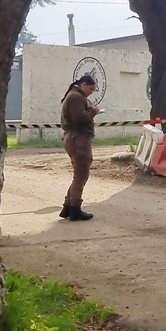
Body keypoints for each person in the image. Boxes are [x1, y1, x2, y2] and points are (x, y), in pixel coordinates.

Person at [60, 74, 102, 221]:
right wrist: (94, 111)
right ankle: (75, 209)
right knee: (80, 177)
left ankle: (68, 207)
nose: (91, 92)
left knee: (78, 176)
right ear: (83, 84)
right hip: (79, 140)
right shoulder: (76, 97)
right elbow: (79, 117)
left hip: (74, 139)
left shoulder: (73, 95)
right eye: (91, 89)